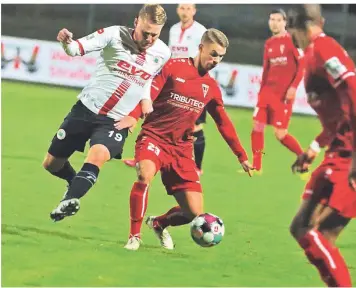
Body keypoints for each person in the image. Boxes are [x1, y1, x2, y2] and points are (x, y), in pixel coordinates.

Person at [124, 28, 254, 251]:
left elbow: (223, 123)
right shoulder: (174, 67)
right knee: (144, 175)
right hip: (154, 137)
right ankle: (134, 236)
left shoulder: (211, 87)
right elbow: (149, 94)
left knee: (194, 213)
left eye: (220, 57)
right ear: (201, 48)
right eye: (213, 54)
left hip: (182, 149)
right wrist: (134, 116)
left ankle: (159, 223)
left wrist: (241, 155)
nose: (216, 60)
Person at [43, 4, 171, 222]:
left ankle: (69, 200)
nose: (149, 38)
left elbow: (149, 78)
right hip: (85, 109)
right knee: (51, 164)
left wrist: (140, 108)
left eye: (154, 35)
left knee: (98, 155)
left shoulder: (163, 53)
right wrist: (67, 42)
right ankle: (73, 182)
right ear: (135, 23)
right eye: (145, 33)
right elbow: (76, 49)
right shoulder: (114, 34)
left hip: (115, 121)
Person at [287, 5, 356, 286]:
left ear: (298, 29)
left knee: (313, 233)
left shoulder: (324, 50)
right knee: (303, 229)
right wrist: (313, 149)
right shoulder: (313, 55)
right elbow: (336, 119)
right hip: (340, 150)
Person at [123, 4, 208, 174]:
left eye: (188, 8)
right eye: (182, 8)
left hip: (192, 84)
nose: (185, 12)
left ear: (194, 11)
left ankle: (197, 167)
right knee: (153, 116)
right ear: (178, 10)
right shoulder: (175, 29)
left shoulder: (201, 31)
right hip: (171, 81)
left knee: (194, 126)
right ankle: (142, 156)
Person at [250, 9, 304, 175]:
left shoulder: (292, 40)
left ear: (285, 22)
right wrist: (261, 92)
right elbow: (266, 70)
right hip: (267, 93)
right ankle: (257, 166)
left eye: (278, 20)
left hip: (283, 96)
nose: (274, 22)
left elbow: (302, 66)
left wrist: (294, 87)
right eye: (272, 19)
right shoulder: (269, 43)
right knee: (257, 127)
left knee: (280, 134)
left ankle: (303, 158)